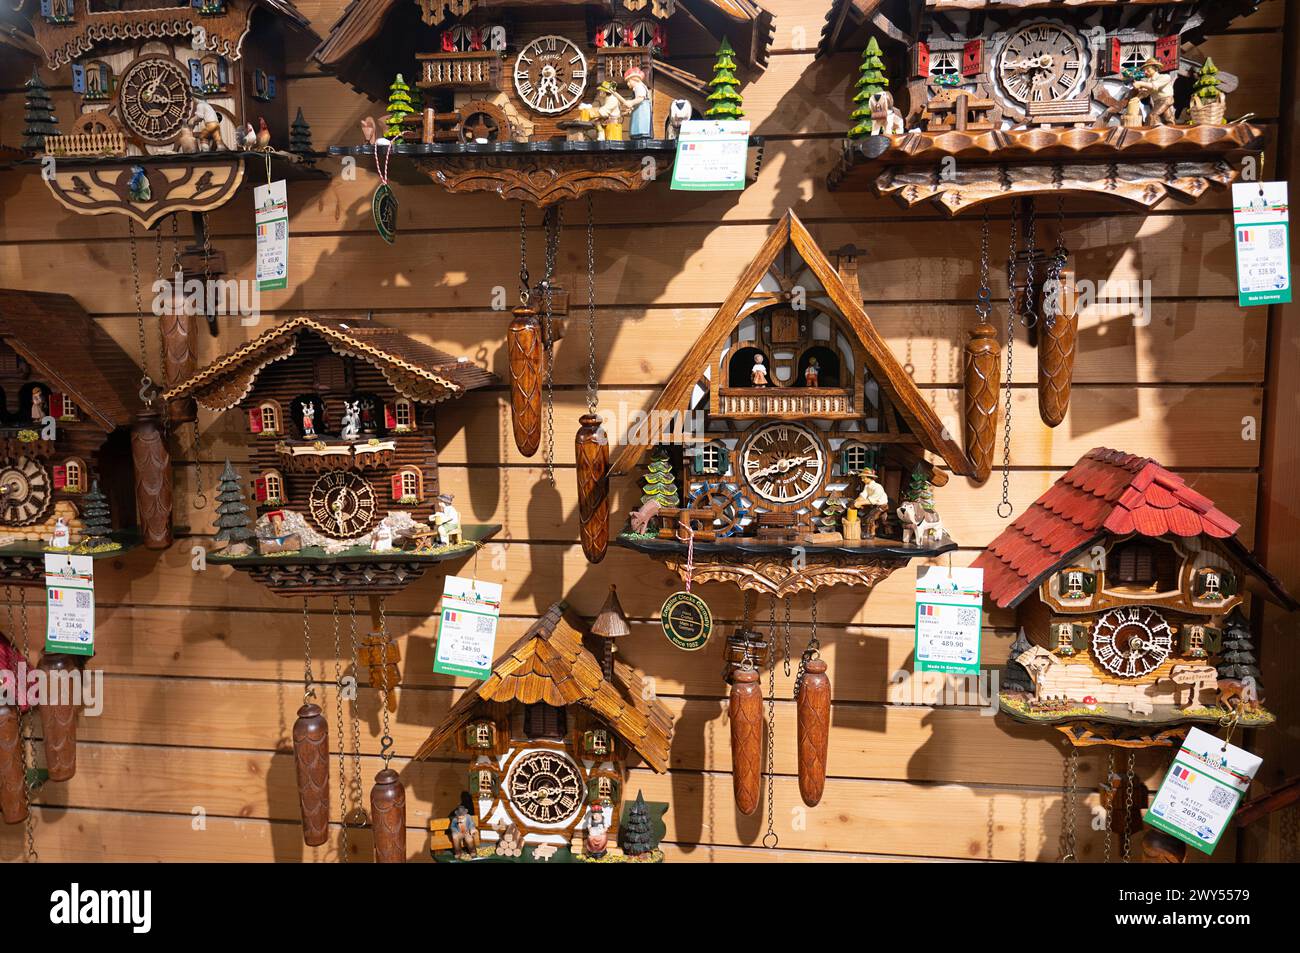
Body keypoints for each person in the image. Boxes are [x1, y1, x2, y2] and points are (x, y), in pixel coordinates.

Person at [1132, 57, 1176, 126]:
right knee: (1168, 118)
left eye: (1147, 69)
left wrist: (1140, 83)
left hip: (1166, 99)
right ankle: (1172, 130)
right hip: (1157, 102)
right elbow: (1146, 92)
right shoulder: (1148, 81)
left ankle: (1154, 131)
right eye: (1144, 70)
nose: (1145, 72)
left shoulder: (1164, 77)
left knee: (1153, 115)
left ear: (1155, 68)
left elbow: (1154, 86)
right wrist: (1137, 98)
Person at [852, 466, 889, 538]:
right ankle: (873, 532)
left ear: (869, 478)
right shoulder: (867, 486)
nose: (862, 480)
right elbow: (863, 496)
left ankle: (870, 534)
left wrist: (859, 503)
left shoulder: (877, 487)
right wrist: (855, 501)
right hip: (874, 506)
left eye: (864, 478)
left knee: (870, 518)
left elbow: (872, 500)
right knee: (867, 516)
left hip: (882, 506)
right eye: (862, 478)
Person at [623, 66, 651, 139]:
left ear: (634, 79)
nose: (628, 84)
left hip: (642, 110)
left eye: (629, 81)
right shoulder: (636, 89)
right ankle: (637, 134)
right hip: (638, 109)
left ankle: (641, 133)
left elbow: (640, 98)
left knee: (641, 123)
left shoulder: (639, 86)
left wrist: (631, 102)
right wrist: (630, 108)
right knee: (636, 122)